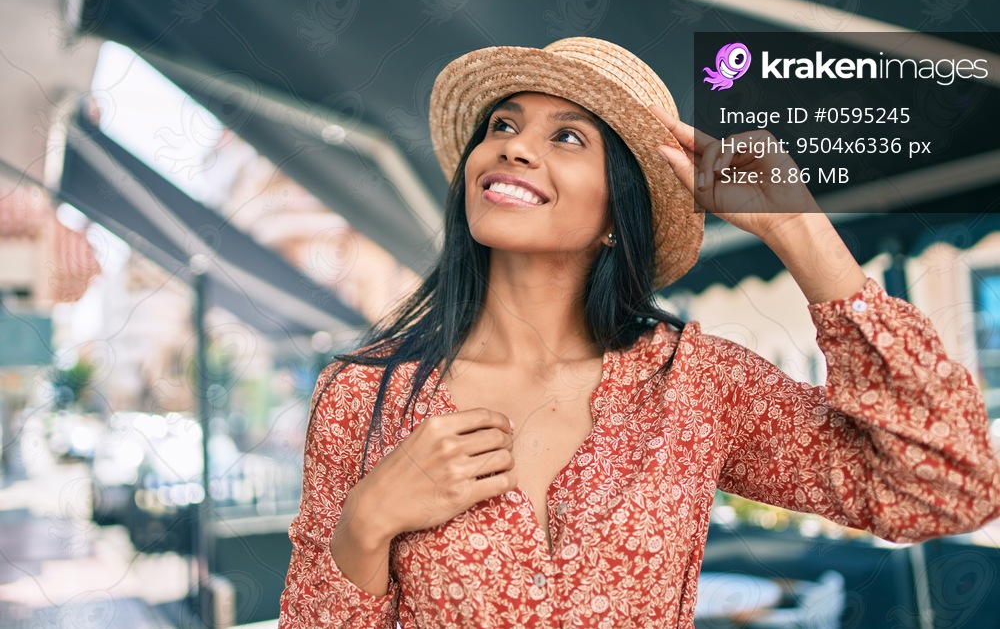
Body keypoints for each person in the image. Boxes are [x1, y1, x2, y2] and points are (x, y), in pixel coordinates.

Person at [278, 37, 1000, 628]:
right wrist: (365, 525)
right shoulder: (363, 394)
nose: (515, 148)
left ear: (619, 216)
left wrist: (797, 229)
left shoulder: (698, 386)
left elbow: (950, 487)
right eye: (502, 125)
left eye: (566, 136)